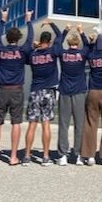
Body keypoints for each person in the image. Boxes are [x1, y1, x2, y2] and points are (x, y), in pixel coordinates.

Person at [0, 8, 33, 167]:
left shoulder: (0, 50)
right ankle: (13, 157)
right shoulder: (23, 51)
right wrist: (28, 20)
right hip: (16, 90)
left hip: (2, 90)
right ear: (18, 38)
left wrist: (3, 19)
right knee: (16, 123)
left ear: (7, 38)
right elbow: (30, 38)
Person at [23, 22, 63, 166]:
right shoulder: (53, 51)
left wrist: (35, 46)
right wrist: (51, 23)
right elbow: (60, 35)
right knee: (46, 124)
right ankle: (45, 156)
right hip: (48, 91)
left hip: (35, 91)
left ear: (40, 41)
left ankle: (27, 156)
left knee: (32, 125)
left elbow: (27, 49)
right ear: (49, 41)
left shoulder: (33, 55)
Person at [81, 32, 102, 166]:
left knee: (91, 123)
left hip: (93, 91)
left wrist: (90, 41)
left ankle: (89, 155)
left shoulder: (91, 56)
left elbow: (87, 50)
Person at [57, 24, 89, 166]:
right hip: (79, 92)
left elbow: (57, 43)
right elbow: (88, 45)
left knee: (63, 125)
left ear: (68, 43)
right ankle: (78, 155)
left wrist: (65, 30)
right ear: (77, 43)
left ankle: (63, 155)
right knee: (79, 124)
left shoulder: (63, 54)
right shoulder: (82, 54)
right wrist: (82, 32)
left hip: (64, 91)